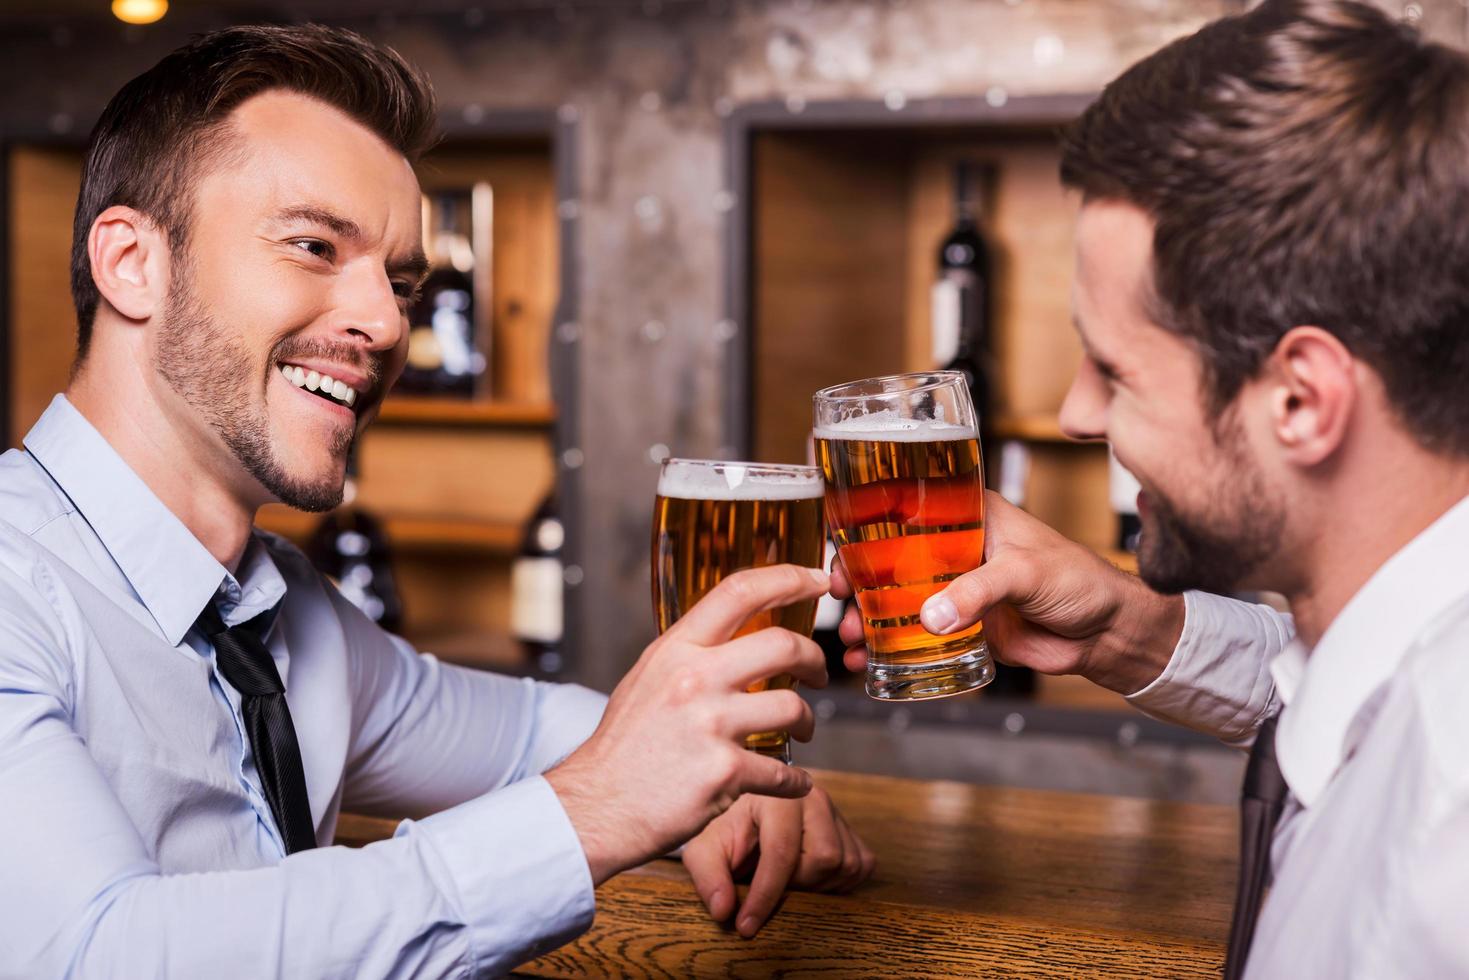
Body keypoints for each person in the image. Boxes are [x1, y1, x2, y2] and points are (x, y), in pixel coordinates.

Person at [0, 25, 873, 978]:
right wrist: (598, 809)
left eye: (401, 281)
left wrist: (713, 764)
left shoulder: (276, 615)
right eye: (312, 244)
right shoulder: (17, 590)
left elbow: (533, 732)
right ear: (132, 264)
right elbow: (86, 955)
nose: (386, 324)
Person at [832, 1, 1469, 975]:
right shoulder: (1405, 656)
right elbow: (1352, 694)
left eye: (1113, 370)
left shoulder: (1443, 823)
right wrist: (1129, 628)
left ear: (1300, 399)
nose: (1077, 414)